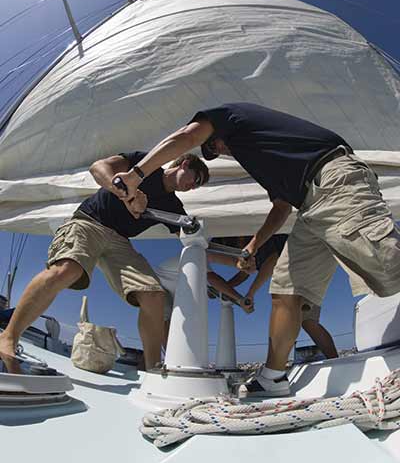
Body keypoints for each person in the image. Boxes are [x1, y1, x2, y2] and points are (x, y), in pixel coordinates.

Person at [110, 102, 400, 396]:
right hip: (308, 209)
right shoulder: (262, 163)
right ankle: (273, 376)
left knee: (388, 265)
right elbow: (281, 207)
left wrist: (136, 174)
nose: (220, 151)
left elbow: (186, 137)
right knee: (286, 290)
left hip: (334, 180)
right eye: (213, 152)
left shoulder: (233, 116)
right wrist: (252, 245)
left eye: (215, 145)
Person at [0, 151, 209, 370]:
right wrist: (128, 194)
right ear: (184, 163)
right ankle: (9, 337)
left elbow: (191, 242)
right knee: (66, 271)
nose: (193, 186)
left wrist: (237, 262)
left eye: (198, 186)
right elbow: (98, 167)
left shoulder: (174, 208)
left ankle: (152, 367)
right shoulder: (147, 164)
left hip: (119, 241)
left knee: (154, 296)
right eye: (196, 179)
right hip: (89, 221)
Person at [217, 235, 338, 366]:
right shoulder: (254, 248)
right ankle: (335, 360)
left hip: (305, 262)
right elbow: (244, 273)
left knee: (291, 312)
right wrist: (225, 287)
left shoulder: (258, 247)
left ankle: (275, 371)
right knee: (307, 320)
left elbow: (272, 261)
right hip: (311, 258)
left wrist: (250, 293)